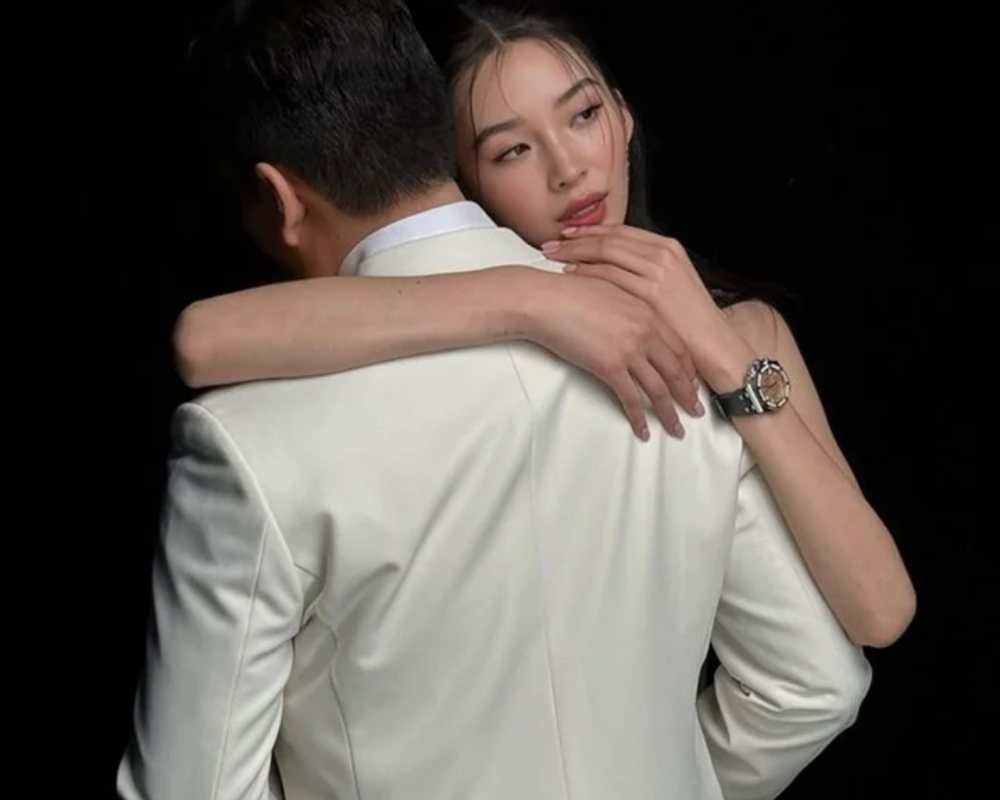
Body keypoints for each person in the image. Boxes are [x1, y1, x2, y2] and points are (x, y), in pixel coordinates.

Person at [119, 1, 881, 797]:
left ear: (278, 198)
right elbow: (815, 686)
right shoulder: (669, 360)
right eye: (515, 146)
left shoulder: (247, 441)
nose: (568, 169)